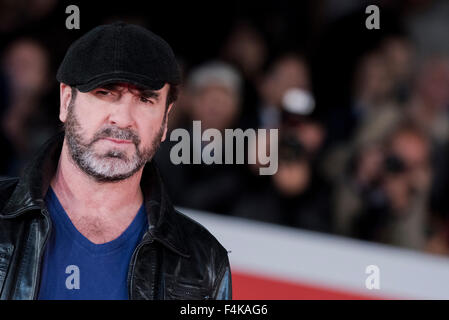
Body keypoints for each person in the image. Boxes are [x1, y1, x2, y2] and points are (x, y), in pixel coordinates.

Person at [0, 22, 232, 300]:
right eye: (105, 93)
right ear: (66, 101)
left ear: (166, 118)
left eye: (145, 100)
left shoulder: (204, 261)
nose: (123, 118)